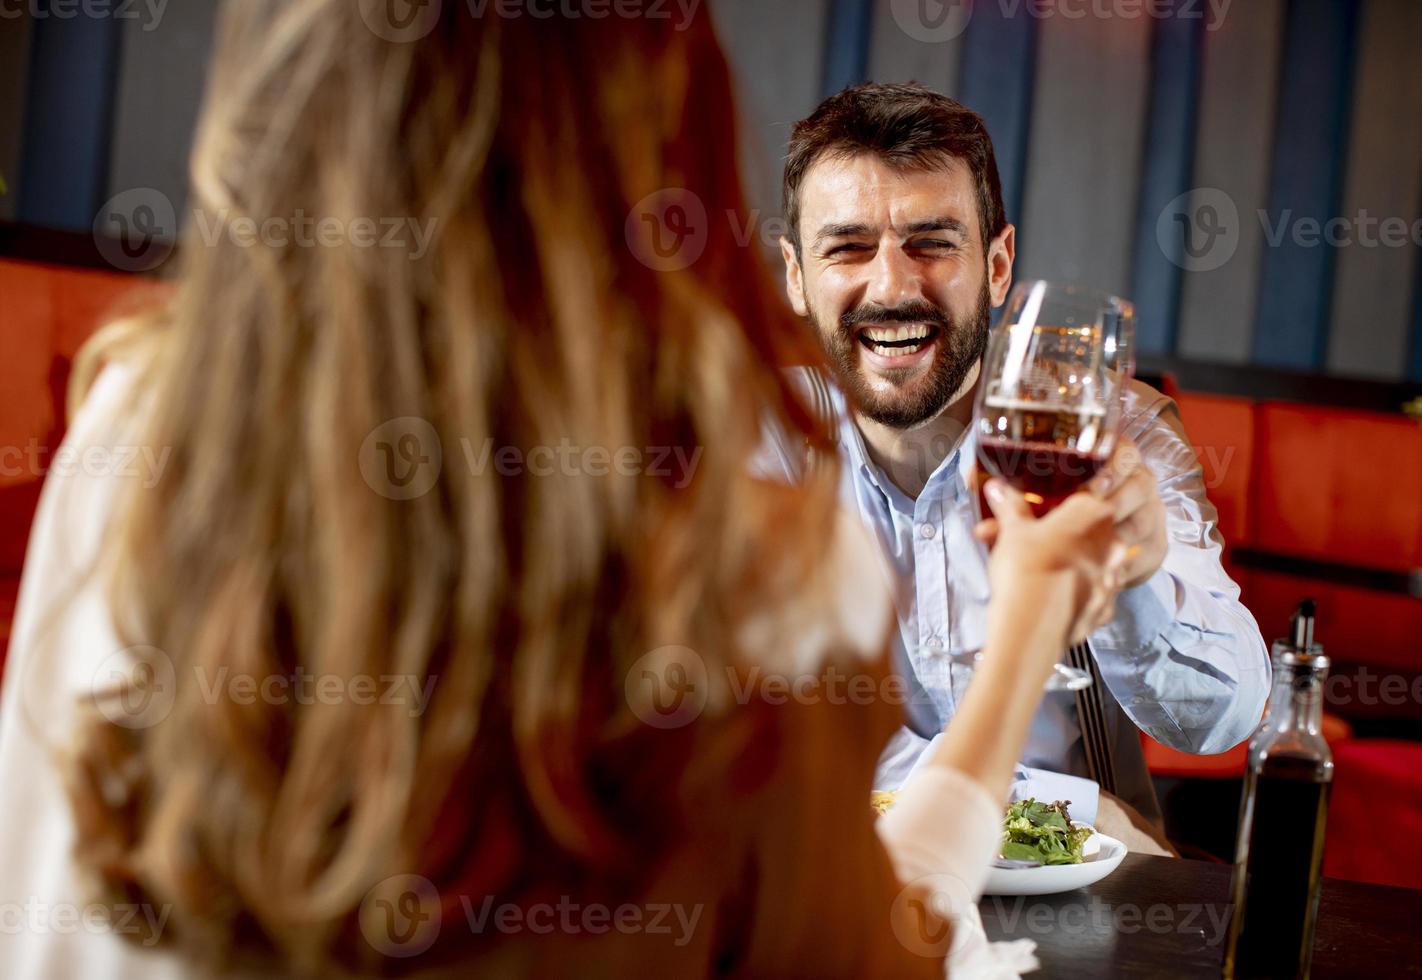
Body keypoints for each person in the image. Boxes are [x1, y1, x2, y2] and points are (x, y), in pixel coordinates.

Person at [0, 8, 1120, 978]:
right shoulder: (753, 558)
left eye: (932, 240)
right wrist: (1031, 617)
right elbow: (893, 947)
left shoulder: (141, 434)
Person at [768, 82, 1271, 829]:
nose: (893, 285)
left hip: (1084, 886)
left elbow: (1226, 718)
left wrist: (1134, 583)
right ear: (796, 276)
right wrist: (1036, 799)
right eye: (847, 247)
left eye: (933, 243)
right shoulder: (761, 438)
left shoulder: (1116, 429)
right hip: (845, 881)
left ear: (998, 266)